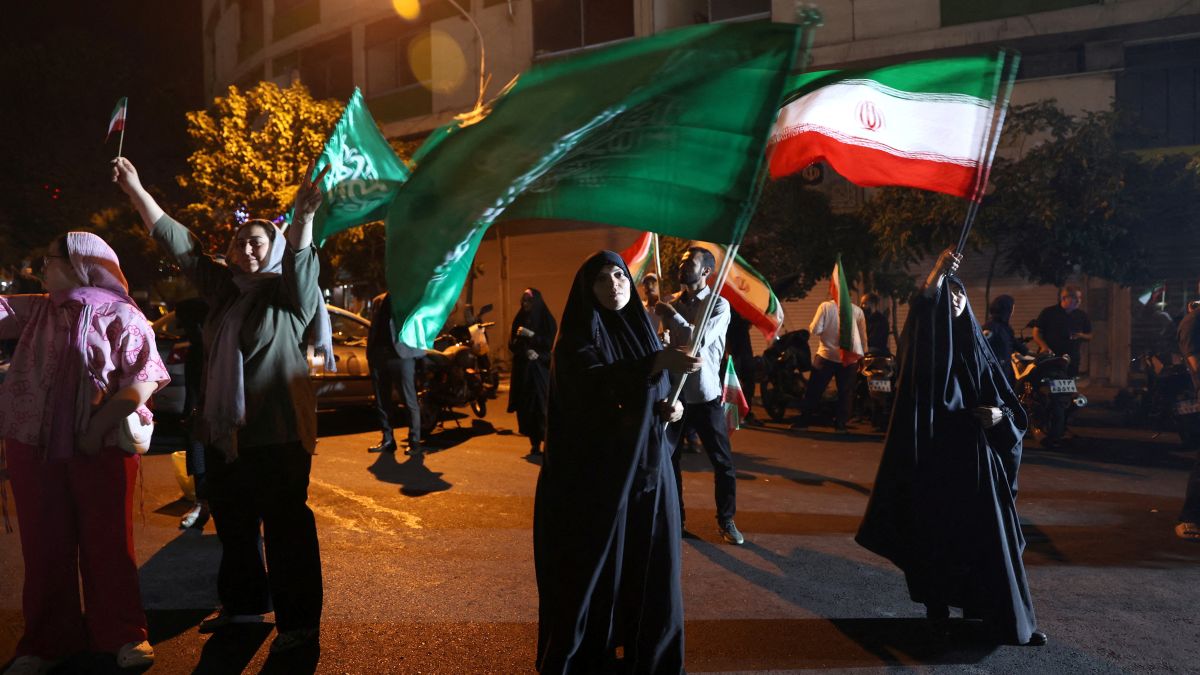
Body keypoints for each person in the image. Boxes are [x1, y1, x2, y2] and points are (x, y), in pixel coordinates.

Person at [113, 156, 331, 655]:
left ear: (273, 249)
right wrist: (136, 189)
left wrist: (302, 216)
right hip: (226, 435)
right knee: (234, 527)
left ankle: (299, 623)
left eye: (259, 240)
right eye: (240, 240)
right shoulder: (225, 293)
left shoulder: (289, 296)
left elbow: (301, 258)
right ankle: (244, 607)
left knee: (286, 530)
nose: (247, 246)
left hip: (277, 434)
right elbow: (182, 245)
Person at [856, 247, 1047, 647]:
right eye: (948, 296)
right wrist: (937, 273)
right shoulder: (926, 355)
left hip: (980, 468)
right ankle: (937, 613)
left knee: (997, 545)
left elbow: (1008, 405)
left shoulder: (979, 346)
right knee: (937, 540)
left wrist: (1000, 420)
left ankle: (1011, 621)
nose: (955, 301)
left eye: (960, 295)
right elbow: (924, 313)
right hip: (938, 467)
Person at [0, 232, 170, 673]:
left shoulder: (122, 314)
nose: (41, 269)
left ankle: (123, 634)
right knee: (43, 547)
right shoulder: (38, 307)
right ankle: (46, 642)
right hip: (31, 445)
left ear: (80, 263)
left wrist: (97, 426)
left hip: (102, 447)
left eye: (49, 260)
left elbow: (144, 379)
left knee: (109, 544)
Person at [534, 251, 697, 674]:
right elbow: (592, 389)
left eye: (620, 275)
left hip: (649, 474)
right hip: (601, 484)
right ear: (587, 289)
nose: (615, 285)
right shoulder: (575, 341)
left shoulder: (643, 333)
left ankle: (652, 659)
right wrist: (654, 364)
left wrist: (671, 411)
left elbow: (652, 397)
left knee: (652, 572)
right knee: (601, 575)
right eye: (603, 279)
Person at [657, 247, 745, 545]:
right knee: (669, 461)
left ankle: (726, 520)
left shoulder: (719, 305)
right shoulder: (669, 301)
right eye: (681, 261)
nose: (682, 266)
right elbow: (665, 342)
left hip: (706, 396)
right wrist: (663, 335)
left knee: (722, 462)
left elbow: (698, 340)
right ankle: (675, 519)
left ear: (706, 271)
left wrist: (671, 317)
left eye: (689, 262)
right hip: (674, 396)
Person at [793, 286, 868, 433]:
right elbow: (863, 338)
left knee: (814, 390)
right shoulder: (858, 311)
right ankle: (840, 425)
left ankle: (803, 422)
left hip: (826, 356)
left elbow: (815, 330)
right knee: (845, 393)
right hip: (849, 358)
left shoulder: (825, 306)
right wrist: (862, 358)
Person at [367, 292, 427, 455]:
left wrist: (419, 353)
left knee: (409, 399)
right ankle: (388, 439)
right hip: (379, 355)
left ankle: (414, 442)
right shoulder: (378, 300)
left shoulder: (411, 297)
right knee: (382, 400)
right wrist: (371, 353)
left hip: (402, 354)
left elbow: (419, 323)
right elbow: (374, 328)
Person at [508, 288, 557, 455]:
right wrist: (525, 351)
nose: (524, 304)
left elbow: (551, 343)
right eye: (523, 301)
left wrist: (531, 335)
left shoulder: (546, 320)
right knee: (527, 410)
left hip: (541, 371)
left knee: (543, 408)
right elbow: (512, 344)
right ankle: (534, 444)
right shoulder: (519, 319)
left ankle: (549, 444)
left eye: (528, 301)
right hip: (525, 373)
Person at [1033, 285, 1092, 378]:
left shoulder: (1082, 315)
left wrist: (1081, 335)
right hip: (1050, 357)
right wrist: (1044, 347)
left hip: (1072, 358)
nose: (1079, 301)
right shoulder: (1049, 312)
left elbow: (1090, 335)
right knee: (1048, 386)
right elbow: (1036, 332)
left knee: (1069, 386)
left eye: (1080, 298)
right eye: (1075, 298)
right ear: (1064, 298)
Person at [725, 310, 762, 426]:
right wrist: (727, 352)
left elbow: (749, 324)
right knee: (734, 383)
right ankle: (733, 416)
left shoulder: (744, 307)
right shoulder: (728, 307)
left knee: (749, 382)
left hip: (745, 350)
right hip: (733, 350)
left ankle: (746, 413)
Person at [982, 295, 1028, 387]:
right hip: (995, 372)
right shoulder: (991, 327)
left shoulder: (1005, 328)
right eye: (1012, 308)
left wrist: (1034, 353)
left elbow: (1016, 344)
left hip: (1005, 370)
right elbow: (983, 346)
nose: (1013, 312)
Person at [641, 272, 663, 336]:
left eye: (653, 283)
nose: (649, 286)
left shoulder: (668, 303)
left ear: (659, 285)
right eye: (646, 284)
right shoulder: (642, 308)